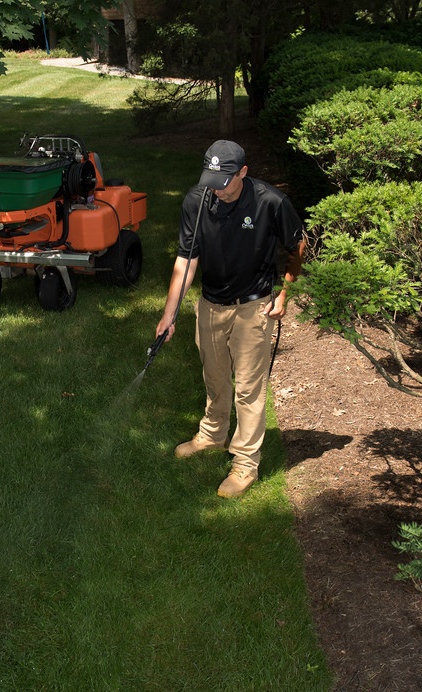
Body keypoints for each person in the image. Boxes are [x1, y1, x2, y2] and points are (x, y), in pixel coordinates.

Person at [156, 139, 306, 499]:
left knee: (249, 388)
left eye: (225, 181)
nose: (217, 190)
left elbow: (298, 245)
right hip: (211, 304)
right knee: (214, 374)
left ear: (243, 172)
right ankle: (212, 434)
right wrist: (169, 314)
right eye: (211, 180)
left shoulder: (270, 201)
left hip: (254, 306)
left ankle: (245, 463)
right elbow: (187, 259)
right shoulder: (197, 199)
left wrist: (285, 293)